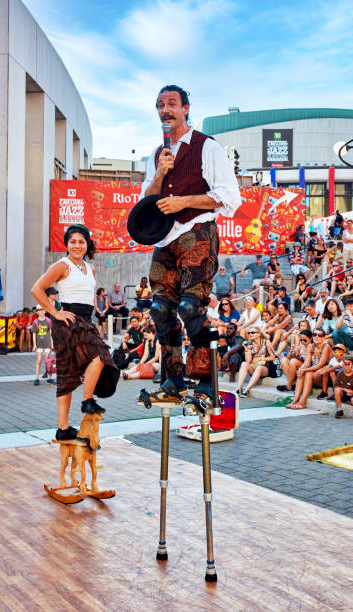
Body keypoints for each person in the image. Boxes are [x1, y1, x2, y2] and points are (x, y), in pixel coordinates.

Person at [139, 84, 241, 404]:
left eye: (171, 103)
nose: (165, 110)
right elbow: (148, 198)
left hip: (197, 231)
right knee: (159, 310)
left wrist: (183, 201)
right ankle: (172, 379)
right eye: (160, 105)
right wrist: (160, 172)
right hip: (166, 238)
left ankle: (206, 380)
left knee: (190, 308)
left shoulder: (207, 146)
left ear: (185, 109)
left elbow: (229, 197)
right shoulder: (159, 153)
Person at [31, 224, 119, 440]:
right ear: (67, 244)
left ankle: (64, 428)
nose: (77, 245)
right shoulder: (62, 265)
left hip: (85, 320)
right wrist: (55, 313)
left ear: (87, 243)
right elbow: (36, 289)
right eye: (73, 241)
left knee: (84, 365)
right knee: (91, 360)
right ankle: (84, 404)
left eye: (81, 241)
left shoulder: (90, 268)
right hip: (68, 321)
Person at [285, 327, 331, 410]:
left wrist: (305, 370)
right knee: (302, 372)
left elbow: (321, 365)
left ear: (323, 337)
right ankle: (295, 401)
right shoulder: (310, 346)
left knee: (307, 373)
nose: (317, 336)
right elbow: (306, 363)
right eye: (314, 334)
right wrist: (301, 369)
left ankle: (302, 402)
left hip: (323, 377)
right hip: (314, 374)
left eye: (319, 335)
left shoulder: (326, 346)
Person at [236, 326, 276, 396]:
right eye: (249, 333)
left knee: (259, 368)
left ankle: (247, 389)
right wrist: (246, 349)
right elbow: (248, 361)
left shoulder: (266, 342)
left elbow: (273, 357)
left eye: (252, 332)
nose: (250, 334)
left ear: (259, 334)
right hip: (253, 367)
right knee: (244, 364)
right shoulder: (249, 343)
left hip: (264, 368)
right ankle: (239, 388)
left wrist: (261, 358)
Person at [32, 305, 55, 386]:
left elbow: (51, 333)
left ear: (45, 311)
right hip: (39, 344)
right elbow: (34, 334)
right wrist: (34, 345)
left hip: (47, 344)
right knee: (38, 361)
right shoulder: (35, 322)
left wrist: (52, 344)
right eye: (40, 310)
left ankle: (49, 378)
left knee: (48, 362)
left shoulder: (49, 321)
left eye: (43, 310)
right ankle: (37, 378)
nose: (42, 311)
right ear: (37, 312)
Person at [334, 353, 353, 418]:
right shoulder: (340, 374)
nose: (347, 366)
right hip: (343, 393)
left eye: (349, 364)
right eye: (345, 364)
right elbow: (336, 386)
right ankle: (339, 410)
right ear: (342, 365)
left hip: (351, 394)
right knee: (337, 390)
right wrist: (345, 390)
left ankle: (350, 401)